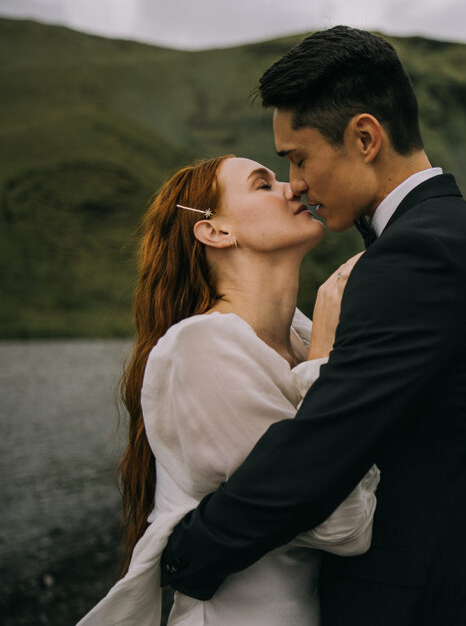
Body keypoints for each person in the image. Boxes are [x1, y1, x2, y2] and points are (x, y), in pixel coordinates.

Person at [160, 26, 466, 624]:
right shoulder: (441, 235)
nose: (295, 184)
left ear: (366, 137)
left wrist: (189, 553)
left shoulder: (415, 253)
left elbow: (323, 450)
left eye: (298, 159)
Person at [78, 155, 379, 625]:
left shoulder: (303, 336)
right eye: (264, 184)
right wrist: (325, 364)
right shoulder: (201, 348)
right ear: (215, 231)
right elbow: (345, 526)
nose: (293, 187)